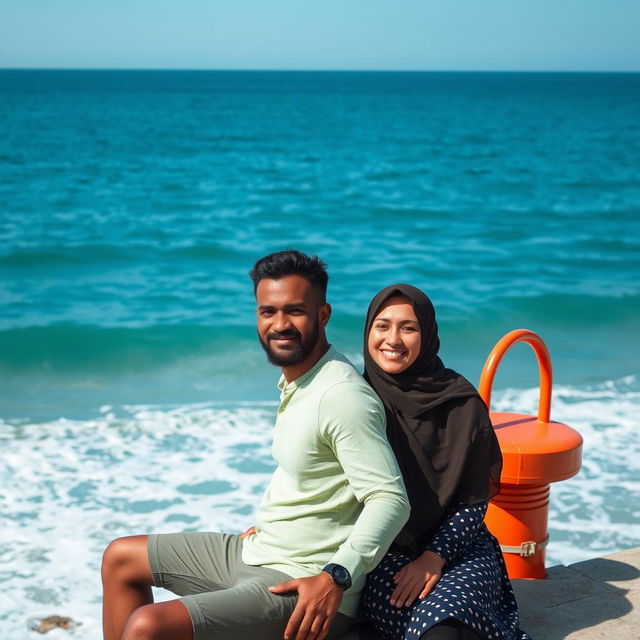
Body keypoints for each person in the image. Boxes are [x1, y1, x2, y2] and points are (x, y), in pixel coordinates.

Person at [101, 250, 410, 640]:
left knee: (148, 626)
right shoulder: (299, 380)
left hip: (303, 580)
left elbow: (390, 499)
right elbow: (312, 474)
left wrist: (337, 576)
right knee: (120, 559)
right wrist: (270, 523)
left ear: (323, 315)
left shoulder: (341, 395)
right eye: (268, 311)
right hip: (258, 550)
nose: (280, 324)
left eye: (295, 311)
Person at [360, 284, 528, 640]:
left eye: (409, 327)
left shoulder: (460, 401)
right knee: (439, 631)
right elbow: (320, 474)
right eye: (383, 325)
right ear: (368, 331)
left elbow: (473, 500)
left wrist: (435, 557)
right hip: (382, 552)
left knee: (454, 625)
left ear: (428, 335)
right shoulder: (355, 400)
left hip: (459, 546)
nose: (393, 338)